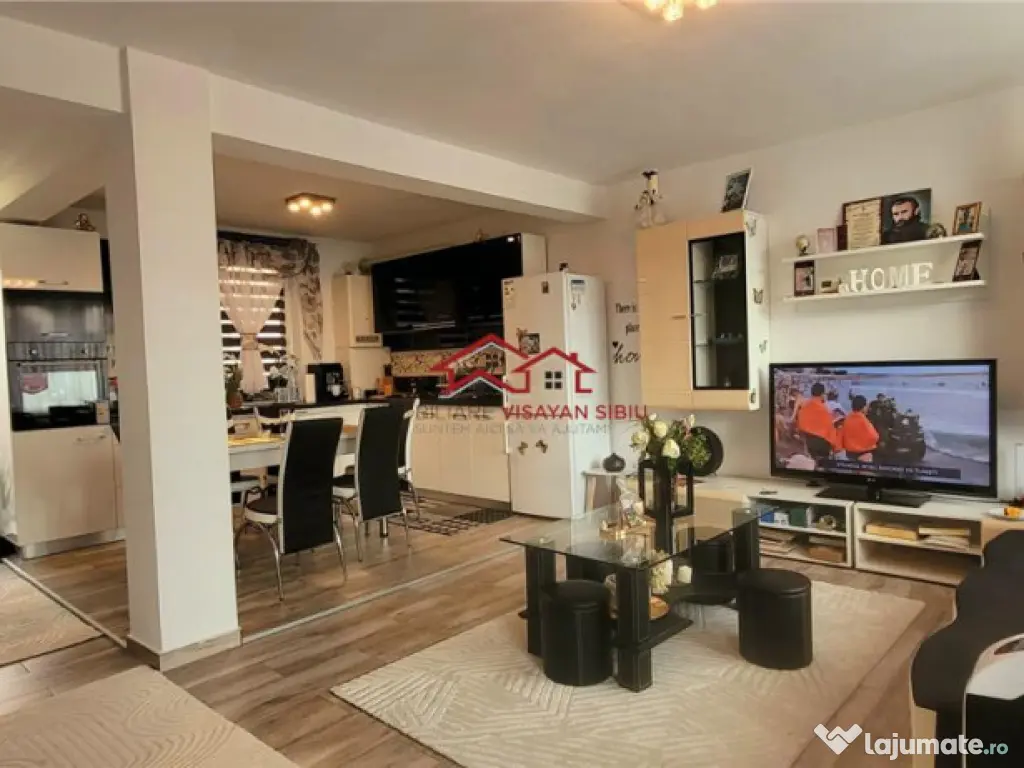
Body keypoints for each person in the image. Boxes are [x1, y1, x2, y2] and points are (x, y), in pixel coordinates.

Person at [796, 382, 839, 463]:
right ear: (822, 394)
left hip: (809, 441)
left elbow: (800, 424)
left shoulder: (804, 406)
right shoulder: (824, 409)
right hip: (822, 443)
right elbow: (830, 429)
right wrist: (835, 446)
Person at [840, 395, 879, 461]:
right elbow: (874, 437)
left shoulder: (847, 419)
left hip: (849, 454)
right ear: (863, 407)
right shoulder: (863, 419)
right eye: (866, 406)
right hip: (863, 454)